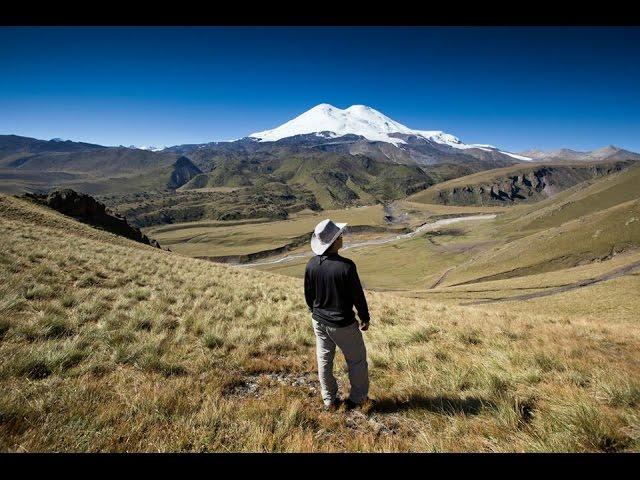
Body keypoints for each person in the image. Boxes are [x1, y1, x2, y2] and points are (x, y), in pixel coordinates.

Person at [304, 219, 370, 411]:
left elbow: (309, 295)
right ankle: (357, 400)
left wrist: (315, 312)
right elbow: (358, 296)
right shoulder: (346, 267)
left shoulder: (311, 264)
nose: (342, 237)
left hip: (319, 321)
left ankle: (329, 400)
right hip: (342, 323)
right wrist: (364, 318)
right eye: (339, 236)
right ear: (333, 241)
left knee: (324, 360)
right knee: (356, 361)